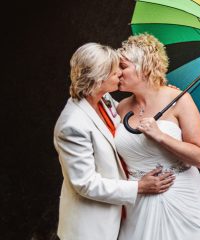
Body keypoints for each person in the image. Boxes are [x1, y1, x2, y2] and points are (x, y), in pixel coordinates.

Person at [53, 42, 176, 240]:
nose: (119, 73)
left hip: (118, 217)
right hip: (91, 228)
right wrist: (139, 187)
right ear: (98, 79)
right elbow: (85, 183)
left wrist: (161, 95)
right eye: (114, 71)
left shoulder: (104, 99)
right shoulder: (72, 125)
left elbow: (132, 116)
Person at [115, 33, 200, 240]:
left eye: (123, 67)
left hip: (180, 200)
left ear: (144, 67)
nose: (117, 72)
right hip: (137, 202)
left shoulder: (179, 99)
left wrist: (161, 136)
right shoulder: (120, 108)